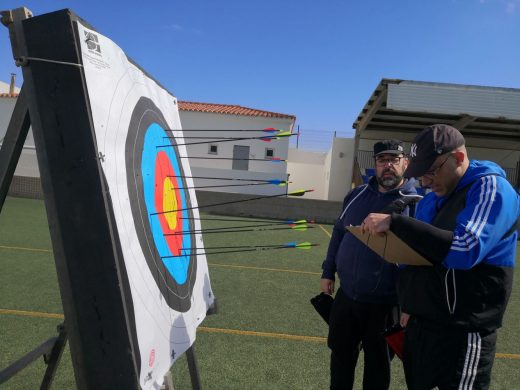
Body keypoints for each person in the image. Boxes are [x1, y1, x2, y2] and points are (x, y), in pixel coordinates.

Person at [361, 124, 520, 390]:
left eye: (431, 172)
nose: (424, 182)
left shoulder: (491, 188)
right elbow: (415, 255)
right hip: (421, 326)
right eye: (420, 175)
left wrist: (398, 224)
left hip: (462, 331)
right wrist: (409, 302)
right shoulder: (431, 198)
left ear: (458, 158)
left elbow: (465, 249)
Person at [320, 139, 418, 390]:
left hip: (385, 304)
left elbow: (421, 258)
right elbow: (339, 233)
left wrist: (411, 303)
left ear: (405, 163)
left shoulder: (417, 202)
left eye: (394, 160)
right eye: (382, 160)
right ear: (375, 164)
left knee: (377, 369)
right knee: (340, 358)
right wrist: (328, 271)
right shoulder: (356, 195)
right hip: (347, 296)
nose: (388, 166)